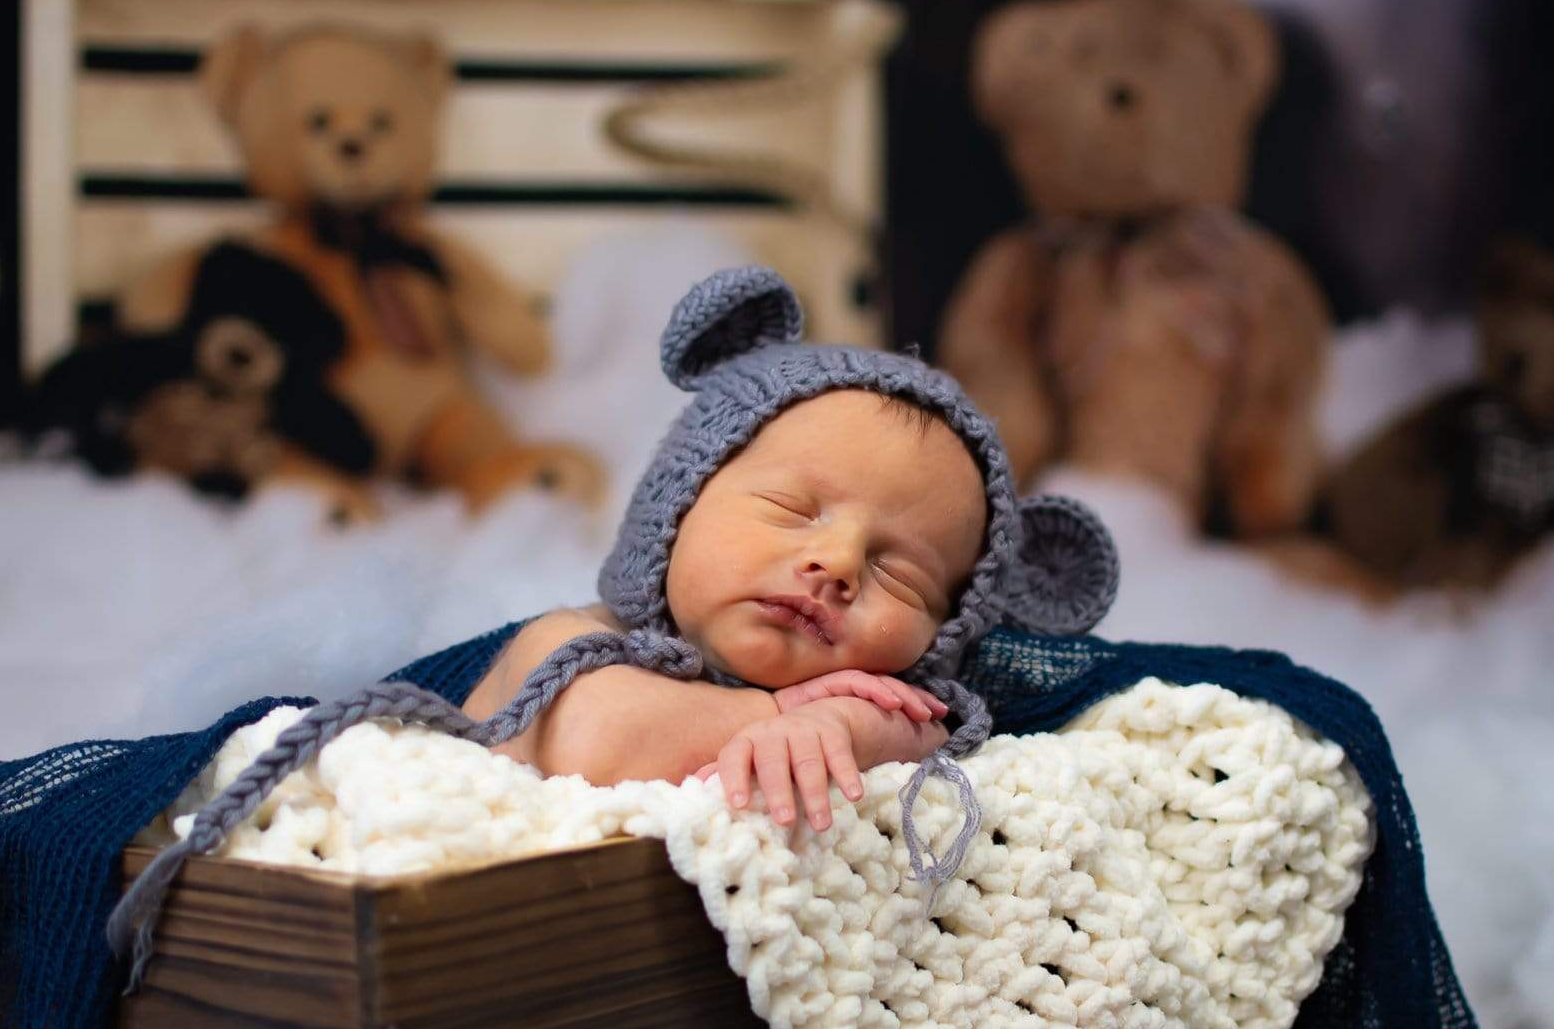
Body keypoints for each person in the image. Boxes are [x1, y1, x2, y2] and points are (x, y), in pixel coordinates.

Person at [462, 266, 1117, 836]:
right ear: (675, 508)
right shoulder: (563, 640)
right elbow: (597, 745)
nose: (838, 563)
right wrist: (774, 711)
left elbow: (927, 730)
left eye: (901, 575)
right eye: (791, 510)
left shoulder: (884, 696)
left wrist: (848, 727)